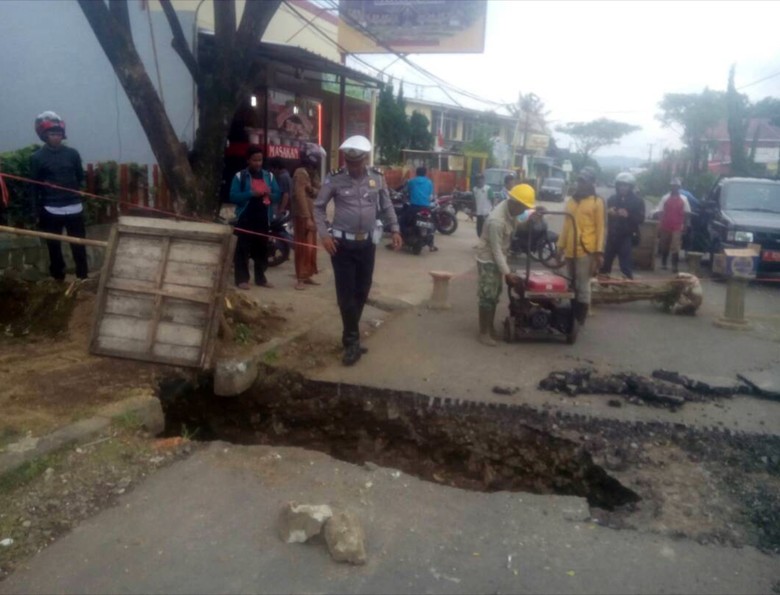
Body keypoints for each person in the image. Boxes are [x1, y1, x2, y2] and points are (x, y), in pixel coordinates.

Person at [314, 135, 402, 366]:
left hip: (367, 245)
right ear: (345, 159)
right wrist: (324, 235)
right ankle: (352, 342)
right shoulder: (334, 179)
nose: (353, 166)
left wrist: (395, 229)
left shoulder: (376, 177)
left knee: (362, 290)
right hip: (341, 246)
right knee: (346, 295)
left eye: (357, 162)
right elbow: (318, 208)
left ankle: (349, 336)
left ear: (365, 159)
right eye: (349, 162)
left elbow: (386, 205)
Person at [30, 111, 88, 281]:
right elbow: (34, 186)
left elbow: (79, 176)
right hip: (51, 208)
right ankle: (58, 278)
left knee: (78, 243)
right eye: (52, 134)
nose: (56, 137)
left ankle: (83, 277)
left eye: (59, 134)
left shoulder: (73, 154)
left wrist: (79, 189)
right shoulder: (36, 158)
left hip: (74, 206)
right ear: (44, 136)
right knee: (53, 245)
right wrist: (35, 212)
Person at [475, 183, 535, 346]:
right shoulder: (497, 220)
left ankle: (490, 327)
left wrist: (530, 219)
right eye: (523, 207)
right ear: (515, 203)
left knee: (495, 295)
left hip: (498, 257)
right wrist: (507, 273)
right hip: (488, 258)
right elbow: (496, 251)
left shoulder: (511, 210)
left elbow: (517, 224)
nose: (524, 210)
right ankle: (483, 332)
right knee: (487, 296)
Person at [558, 167, 605, 326]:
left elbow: (600, 228)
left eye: (584, 181)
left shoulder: (597, 202)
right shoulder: (571, 201)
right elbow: (566, 226)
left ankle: (580, 319)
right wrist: (560, 247)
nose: (580, 184)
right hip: (570, 248)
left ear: (591, 183)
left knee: (582, 283)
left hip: (587, 249)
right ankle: (571, 313)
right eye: (579, 181)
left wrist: (599, 252)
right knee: (570, 282)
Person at [229, 146, 280, 289]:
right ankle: (242, 279)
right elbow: (233, 196)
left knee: (262, 250)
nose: (258, 163)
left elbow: (277, 195)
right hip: (245, 219)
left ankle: (261, 278)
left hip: (263, 219)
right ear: (248, 160)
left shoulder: (269, 176)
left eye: (260, 160)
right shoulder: (240, 176)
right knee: (242, 250)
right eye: (255, 160)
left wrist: (269, 194)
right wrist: (251, 194)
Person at [600, 172, 646, 279]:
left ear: (631, 187)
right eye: (620, 185)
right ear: (617, 186)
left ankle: (627, 287)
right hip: (612, 236)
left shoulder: (638, 201)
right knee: (604, 265)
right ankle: (602, 287)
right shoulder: (612, 199)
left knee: (626, 266)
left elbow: (641, 219)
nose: (623, 188)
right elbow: (603, 216)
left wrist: (628, 215)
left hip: (626, 236)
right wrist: (608, 212)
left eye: (626, 185)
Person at [291, 149, 321, 290]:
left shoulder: (312, 173)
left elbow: (319, 191)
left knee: (311, 247)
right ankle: (300, 279)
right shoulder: (300, 173)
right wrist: (307, 217)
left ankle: (307, 274)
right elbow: (300, 196)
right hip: (303, 215)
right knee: (303, 247)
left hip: (312, 213)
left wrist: (311, 188)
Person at [653, 177, 691, 273]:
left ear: (679, 187)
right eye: (673, 186)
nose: (674, 188)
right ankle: (664, 263)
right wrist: (660, 223)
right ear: (670, 187)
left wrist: (685, 225)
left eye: (676, 186)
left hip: (677, 227)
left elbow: (687, 213)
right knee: (664, 245)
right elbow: (660, 211)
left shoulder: (684, 199)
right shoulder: (665, 198)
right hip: (665, 225)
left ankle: (674, 266)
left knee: (675, 246)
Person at [402, 166, 438, 251]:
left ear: (416, 173)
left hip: (413, 207)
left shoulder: (412, 181)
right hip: (426, 207)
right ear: (425, 173)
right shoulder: (429, 182)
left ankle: (401, 240)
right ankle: (431, 245)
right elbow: (431, 194)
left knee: (401, 221)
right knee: (432, 223)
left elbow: (405, 191)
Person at [473, 174, 492, 238]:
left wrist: (492, 209)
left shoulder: (488, 189)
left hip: (487, 213)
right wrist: (473, 211)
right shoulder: (474, 189)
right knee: (479, 230)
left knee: (486, 229)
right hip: (479, 213)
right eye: (477, 181)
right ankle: (481, 242)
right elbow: (474, 201)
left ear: (484, 181)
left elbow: (492, 199)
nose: (479, 183)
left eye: (480, 181)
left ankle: (485, 243)